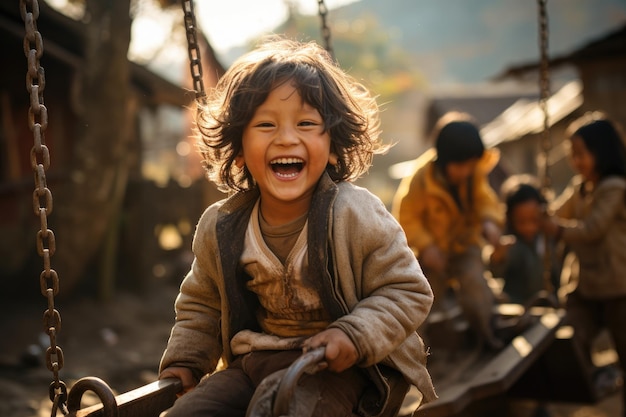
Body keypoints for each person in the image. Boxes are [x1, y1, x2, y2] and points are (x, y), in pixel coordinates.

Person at [158, 37, 437, 417]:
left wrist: (353, 335)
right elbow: (202, 305)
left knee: (281, 406)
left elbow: (406, 290)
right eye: (266, 124)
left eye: (306, 123)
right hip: (255, 362)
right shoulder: (221, 226)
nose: (286, 137)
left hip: (347, 371)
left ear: (334, 146)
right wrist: (186, 361)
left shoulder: (356, 214)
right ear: (239, 151)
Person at [392, 111, 505, 350]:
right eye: (460, 166)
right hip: (433, 253)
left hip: (465, 247)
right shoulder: (420, 179)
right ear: (444, 160)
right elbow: (407, 218)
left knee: (476, 286)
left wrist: (489, 221)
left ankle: (487, 335)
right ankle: (415, 352)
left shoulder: (473, 175)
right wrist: (427, 245)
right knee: (421, 298)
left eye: (470, 165)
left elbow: (485, 200)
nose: (465, 171)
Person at [543, 111, 626, 416]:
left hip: (618, 283)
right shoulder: (581, 186)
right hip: (586, 284)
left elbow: (593, 228)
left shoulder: (614, 187)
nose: (576, 161)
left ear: (601, 152)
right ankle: (595, 381)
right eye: (572, 155)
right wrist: (542, 213)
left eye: (582, 154)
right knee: (573, 336)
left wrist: (558, 229)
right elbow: (557, 212)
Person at [488, 174, 560, 305]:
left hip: (549, 305)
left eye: (534, 220)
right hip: (517, 306)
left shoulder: (549, 239)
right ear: (510, 218)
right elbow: (495, 272)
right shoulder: (510, 244)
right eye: (521, 222)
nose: (529, 228)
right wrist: (498, 258)